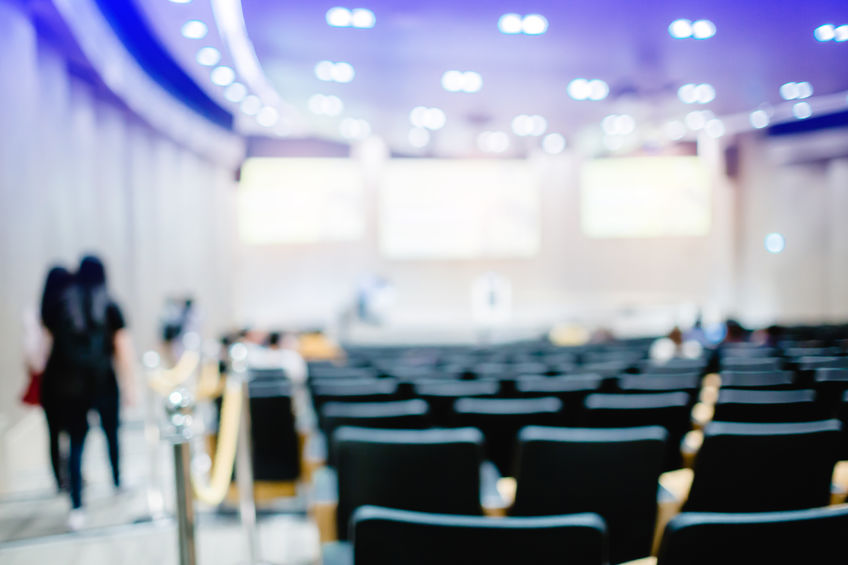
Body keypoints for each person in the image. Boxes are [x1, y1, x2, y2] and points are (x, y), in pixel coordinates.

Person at [43, 255, 136, 530]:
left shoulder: (60, 304)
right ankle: (118, 482)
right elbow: (122, 347)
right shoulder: (109, 302)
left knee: (75, 444)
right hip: (104, 381)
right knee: (112, 434)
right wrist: (130, 385)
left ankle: (77, 506)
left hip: (69, 386)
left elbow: (51, 346)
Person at [30, 265, 74, 492]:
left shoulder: (37, 315)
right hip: (67, 380)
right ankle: (73, 475)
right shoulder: (66, 314)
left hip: (49, 382)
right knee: (73, 430)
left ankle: (60, 479)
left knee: (54, 432)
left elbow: (32, 360)